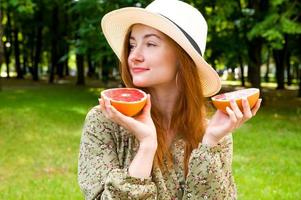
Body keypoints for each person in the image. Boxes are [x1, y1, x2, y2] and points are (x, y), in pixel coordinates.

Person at [78, 0, 262, 199]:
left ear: (182, 58)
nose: (134, 56)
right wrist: (147, 146)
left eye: (150, 44)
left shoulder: (216, 135)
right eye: (132, 45)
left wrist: (210, 143)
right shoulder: (104, 121)